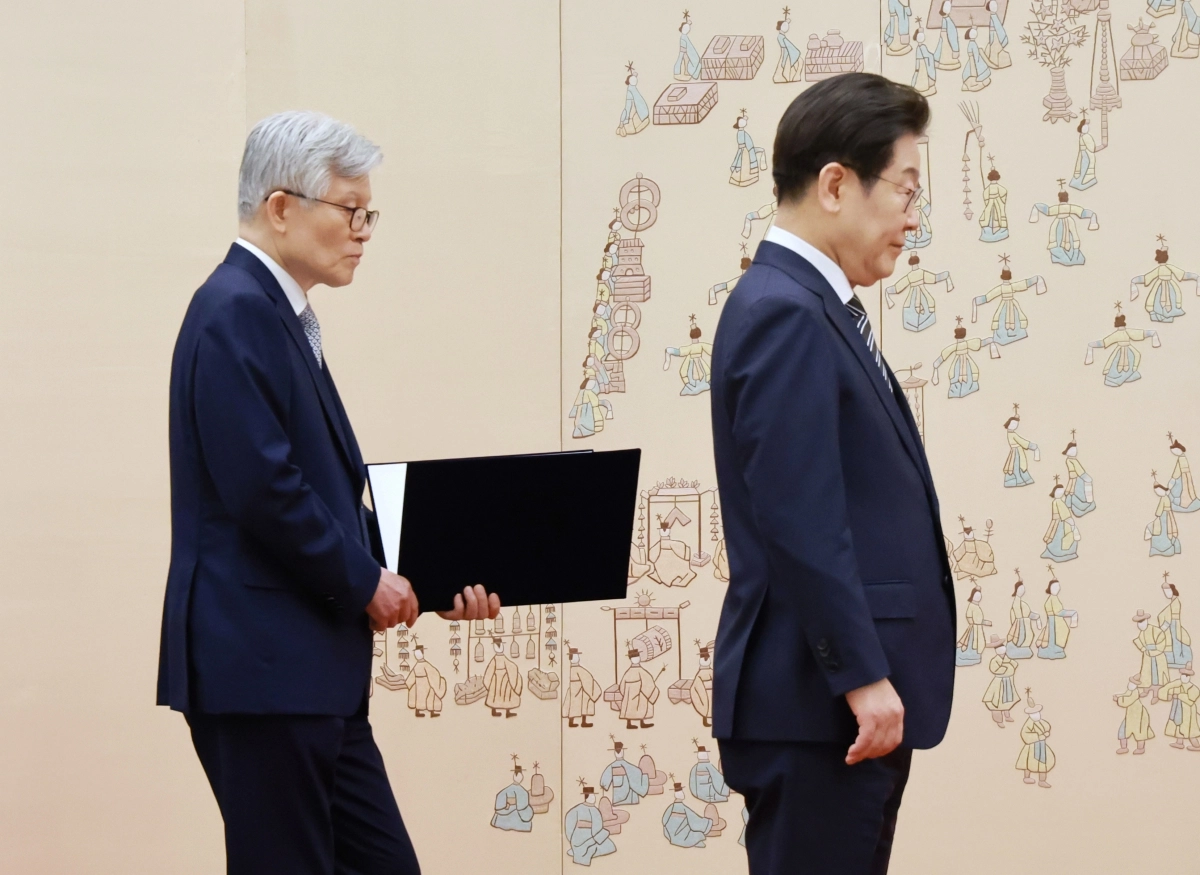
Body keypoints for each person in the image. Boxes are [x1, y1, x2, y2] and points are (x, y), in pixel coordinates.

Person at [157, 110, 500, 875]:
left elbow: (316, 496)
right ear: (281, 207)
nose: (363, 231)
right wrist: (367, 582)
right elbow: (265, 490)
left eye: (368, 213)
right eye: (351, 210)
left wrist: (431, 577)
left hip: (307, 676)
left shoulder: (273, 314)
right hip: (265, 672)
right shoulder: (237, 310)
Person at [711, 73, 956, 875]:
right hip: (818, 706)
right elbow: (800, 518)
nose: (914, 215)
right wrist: (861, 676)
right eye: (905, 188)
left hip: (833, 709)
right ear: (836, 185)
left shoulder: (808, 305)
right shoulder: (785, 311)